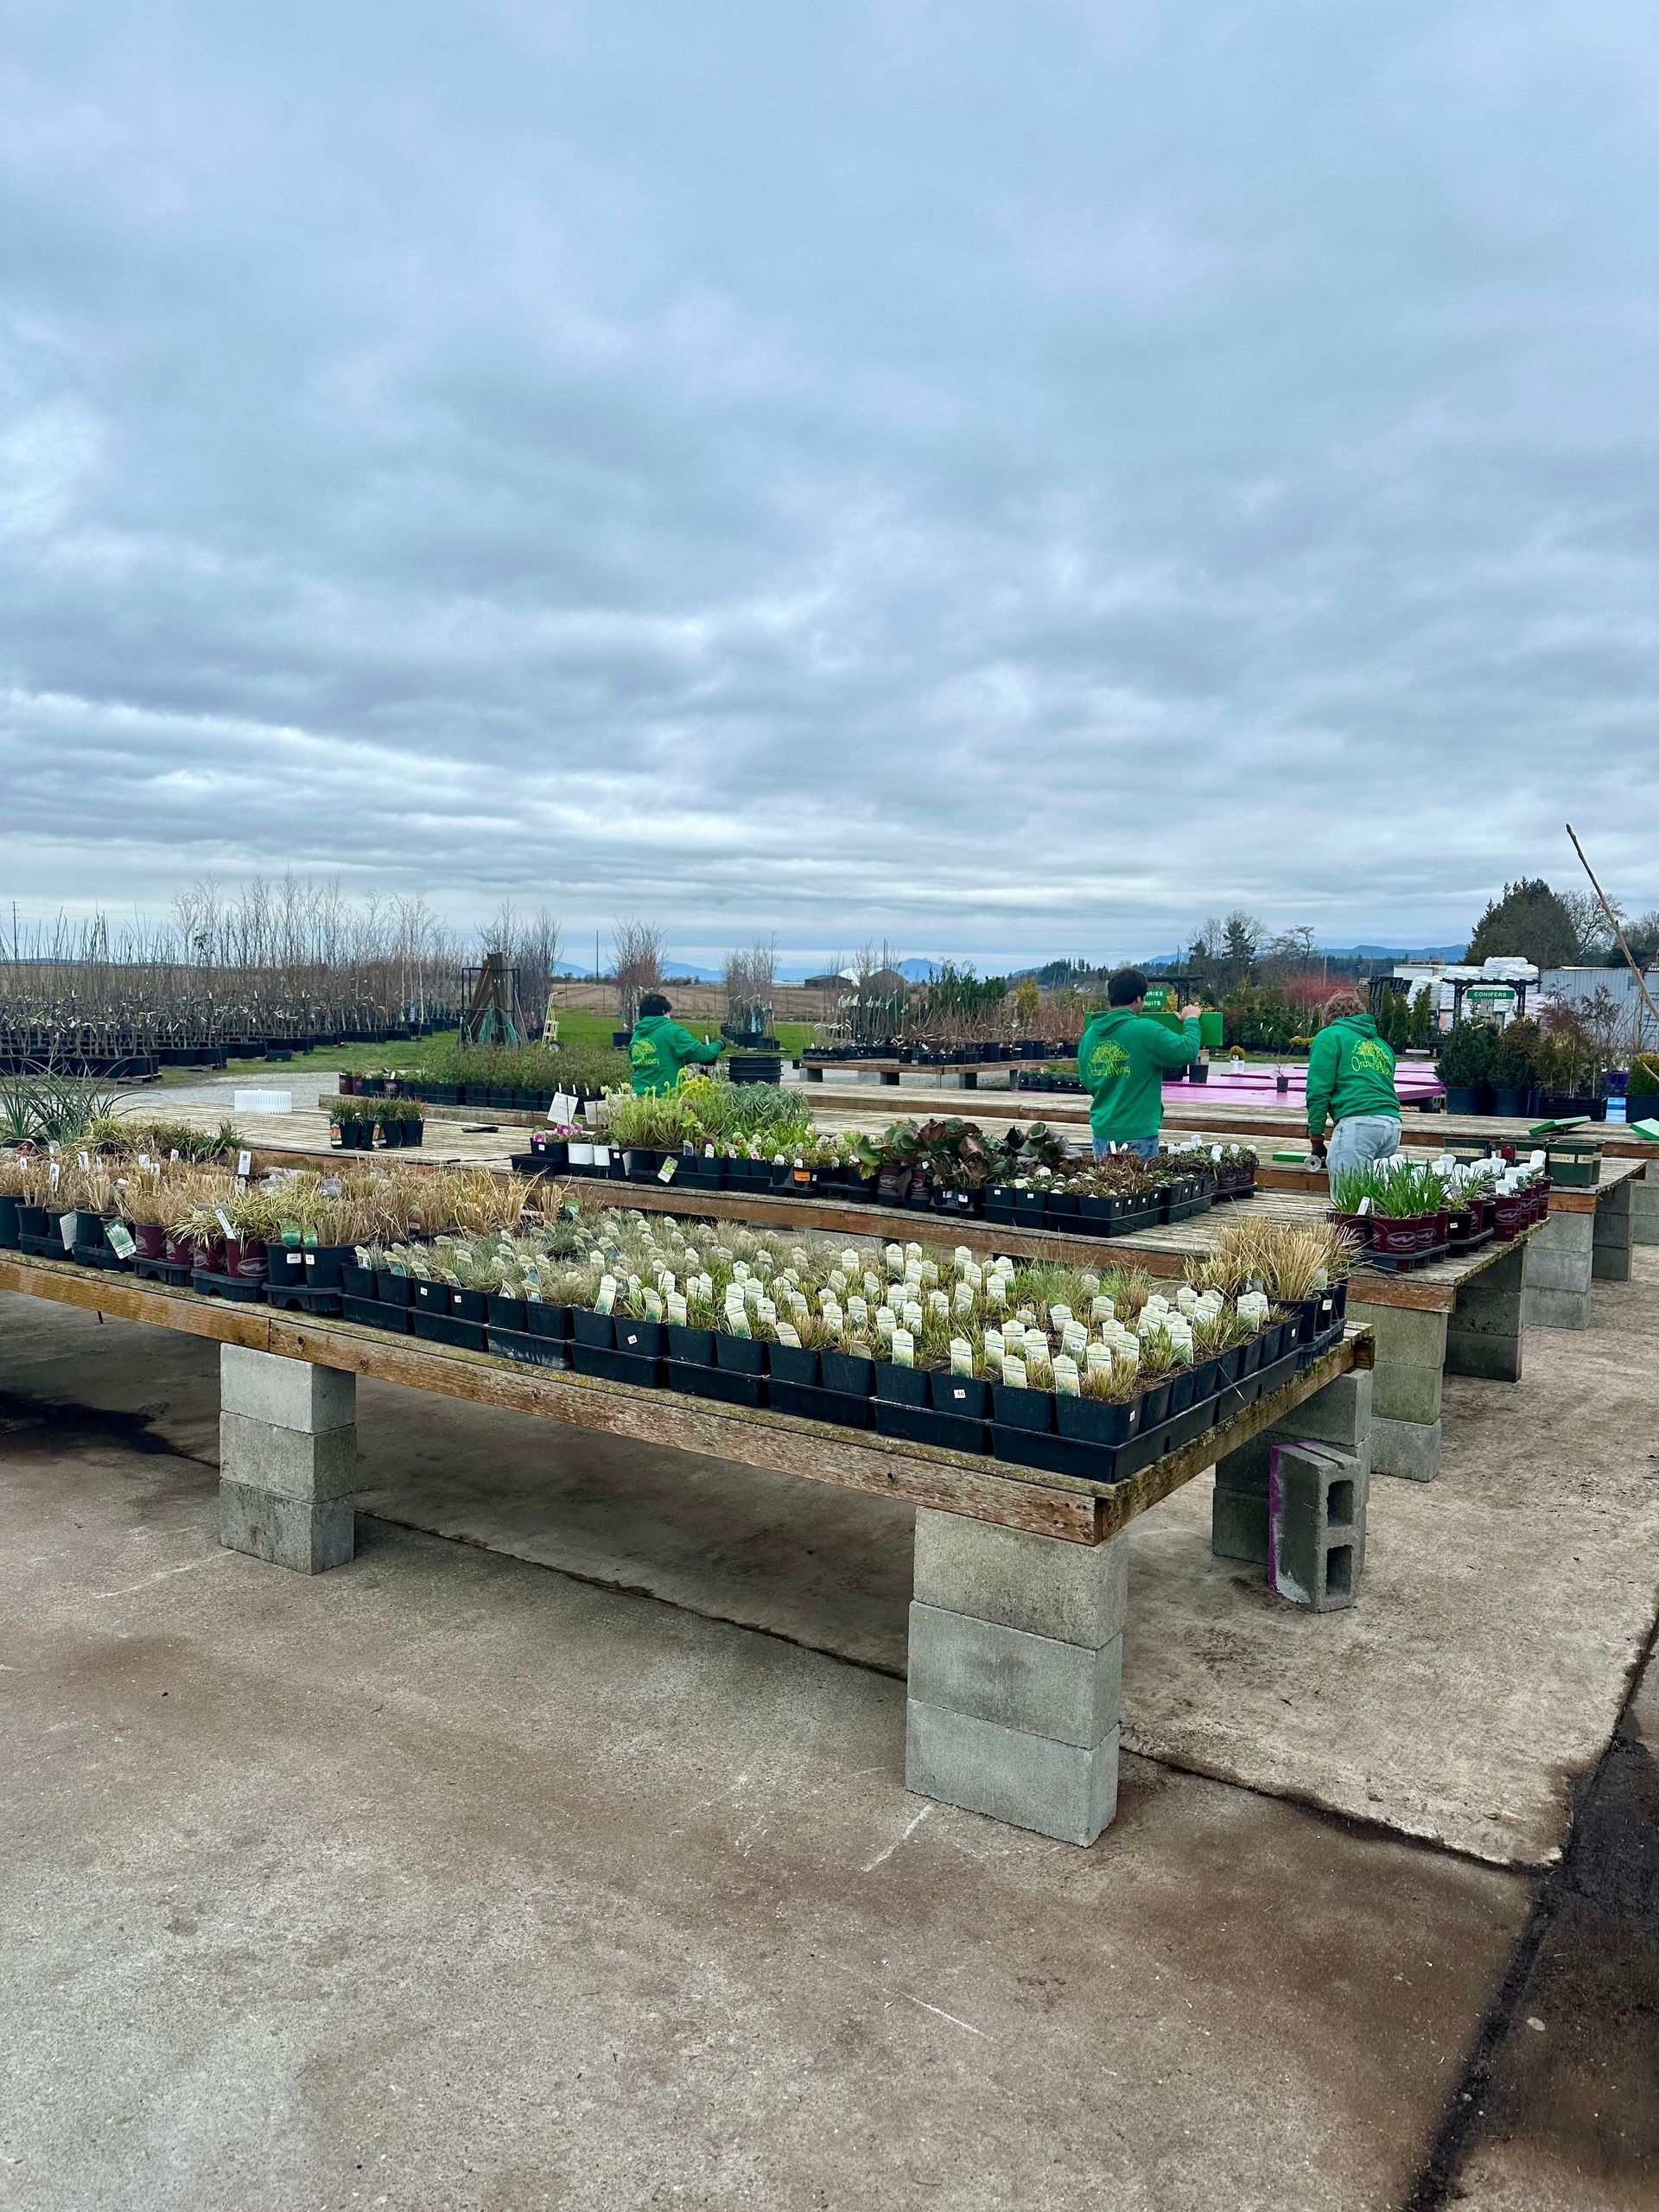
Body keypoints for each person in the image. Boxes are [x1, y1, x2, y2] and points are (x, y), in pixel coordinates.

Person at [1077, 970, 1204, 1160]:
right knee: (1139, 1187)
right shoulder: (1146, 1030)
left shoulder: (1089, 1036)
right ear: (1138, 998)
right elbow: (1187, 1050)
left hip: (1102, 1132)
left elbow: (1087, 1079)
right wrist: (1192, 1019)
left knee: (1107, 1187)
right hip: (1139, 1135)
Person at [1306, 990, 1402, 1176]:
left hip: (1359, 1124)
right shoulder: (1382, 1046)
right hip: (1392, 1126)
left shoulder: (1330, 1036)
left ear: (1329, 1016)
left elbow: (1318, 1091)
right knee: (1373, 1199)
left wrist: (1316, 1139)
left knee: (1347, 1199)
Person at [628, 994, 724, 1095]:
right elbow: (703, 1053)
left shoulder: (637, 1035)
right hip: (665, 1097)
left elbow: (657, 1058)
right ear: (664, 1012)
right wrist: (719, 1044)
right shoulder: (672, 1031)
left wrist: (681, 1059)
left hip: (639, 1096)